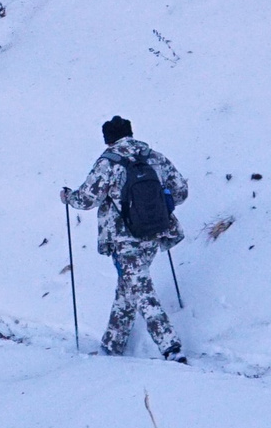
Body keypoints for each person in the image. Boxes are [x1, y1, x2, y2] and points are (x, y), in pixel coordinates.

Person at [63, 115, 189, 362]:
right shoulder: (154, 157)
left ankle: (171, 348)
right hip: (156, 233)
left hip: (125, 241)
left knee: (141, 290)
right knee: (128, 288)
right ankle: (111, 347)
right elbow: (181, 192)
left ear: (108, 139)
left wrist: (68, 197)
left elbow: (87, 199)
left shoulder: (108, 162)